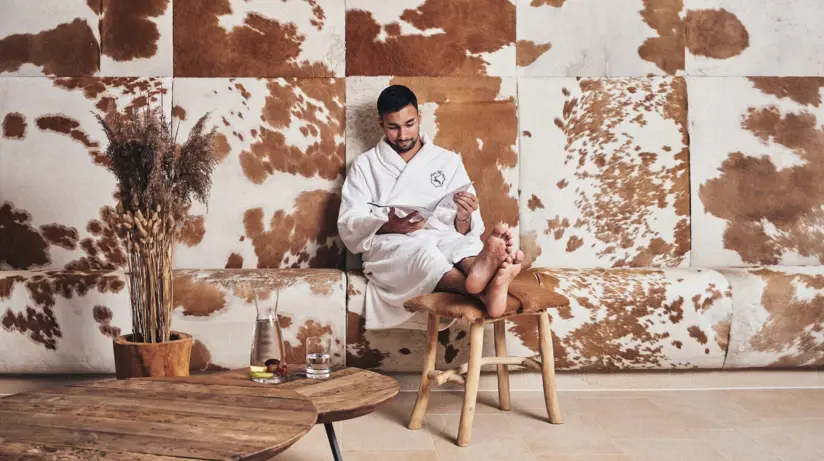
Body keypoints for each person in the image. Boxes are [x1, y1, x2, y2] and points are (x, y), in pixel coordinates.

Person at [337, 84, 524, 331]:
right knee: (425, 254)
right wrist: (386, 225)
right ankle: (486, 290)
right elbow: (348, 223)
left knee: (461, 244)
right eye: (393, 127)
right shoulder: (365, 165)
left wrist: (464, 216)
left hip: (440, 233)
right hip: (390, 245)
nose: (403, 134)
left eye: (409, 124)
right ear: (381, 123)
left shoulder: (447, 160)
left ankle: (483, 275)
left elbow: (466, 227)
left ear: (419, 118)